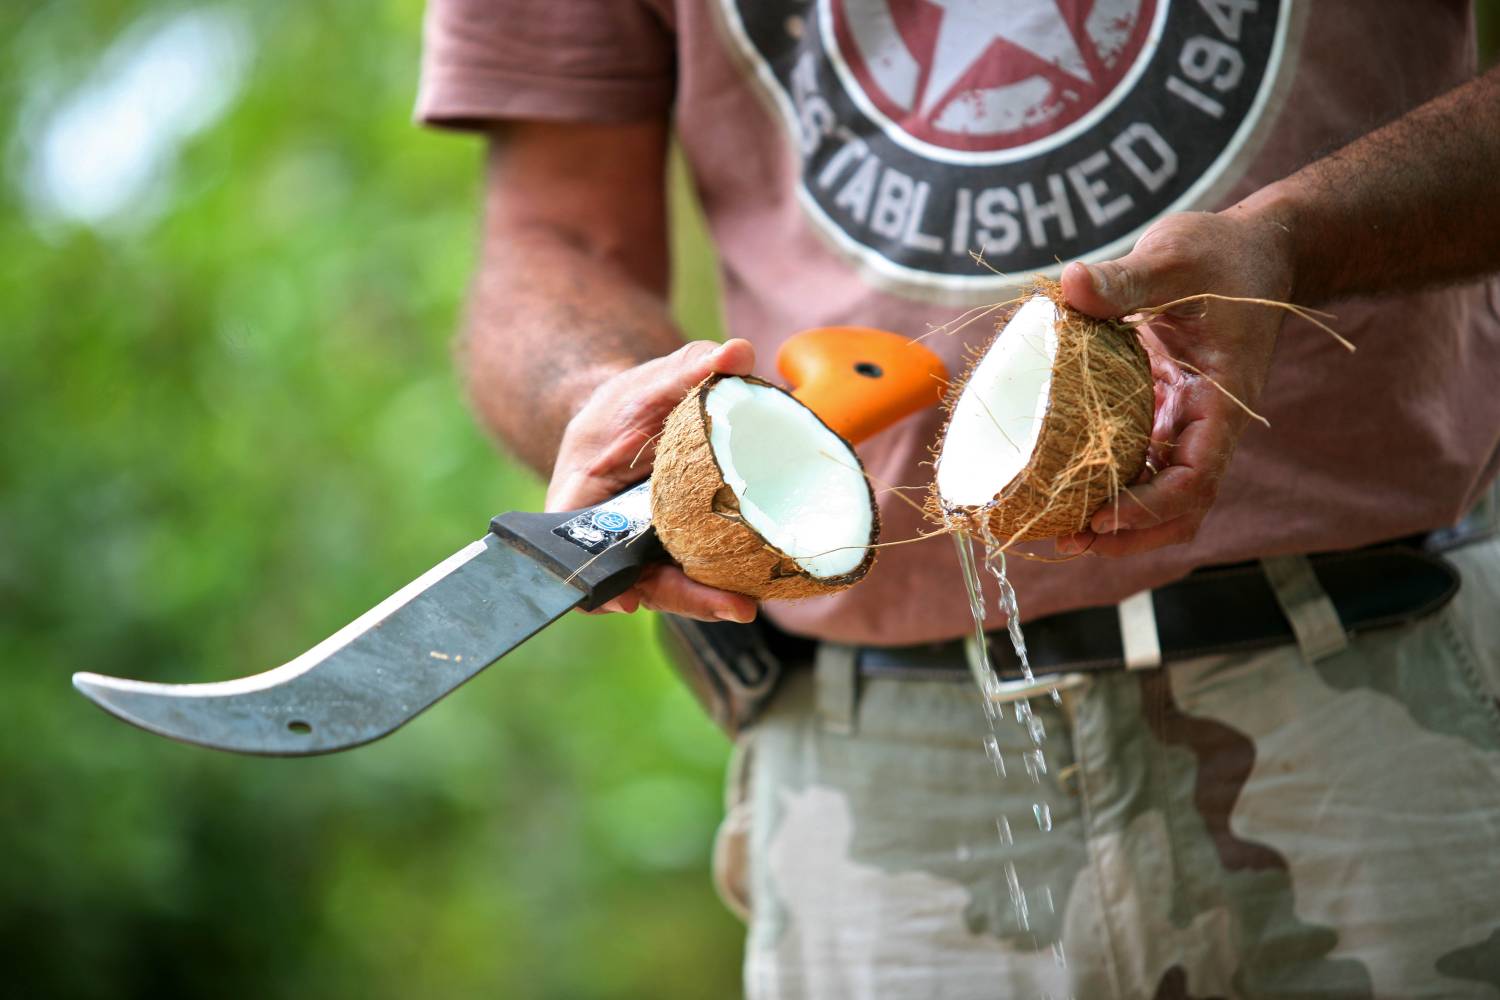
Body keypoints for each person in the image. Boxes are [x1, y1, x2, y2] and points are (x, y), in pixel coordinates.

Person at [418, 1, 1500, 995]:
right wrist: (601, 392)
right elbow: (549, 236)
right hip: (887, 775)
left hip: (1384, 688)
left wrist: (1297, 240)